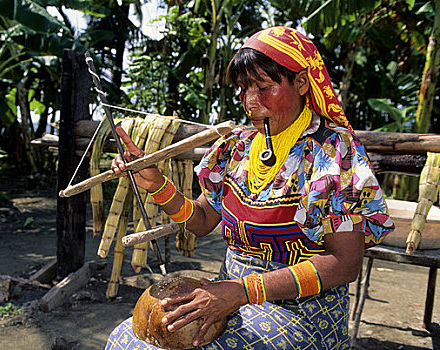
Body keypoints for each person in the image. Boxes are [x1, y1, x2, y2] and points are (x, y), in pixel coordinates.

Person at [105, 26, 394, 350]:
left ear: (300, 82)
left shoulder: (334, 153)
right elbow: (201, 221)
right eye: (243, 89)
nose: (250, 101)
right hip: (229, 296)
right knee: (127, 338)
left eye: (264, 87)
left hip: (303, 311)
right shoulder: (236, 147)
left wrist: (244, 291)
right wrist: (158, 185)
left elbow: (345, 264)